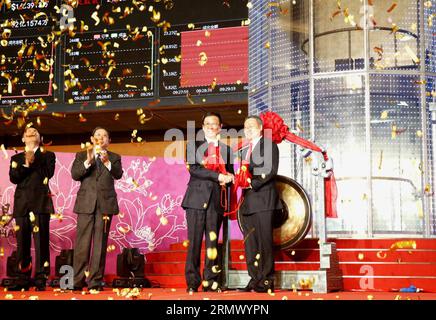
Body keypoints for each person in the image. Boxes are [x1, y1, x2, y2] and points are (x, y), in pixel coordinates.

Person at [181, 112, 234, 293]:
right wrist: (218, 175)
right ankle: (192, 282)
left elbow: (231, 174)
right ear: (203, 127)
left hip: (216, 202)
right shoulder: (193, 145)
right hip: (195, 200)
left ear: (220, 127)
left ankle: (211, 282)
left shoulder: (227, 150)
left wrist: (230, 177)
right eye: (208, 124)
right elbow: (194, 170)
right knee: (194, 243)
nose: (212, 127)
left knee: (213, 244)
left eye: (215, 124)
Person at [71, 127, 123, 291]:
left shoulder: (115, 157)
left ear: (109, 141)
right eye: (98, 135)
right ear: (92, 139)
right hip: (86, 203)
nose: (101, 137)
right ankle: (77, 281)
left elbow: (118, 174)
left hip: (105, 205)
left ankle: (95, 281)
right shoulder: (81, 155)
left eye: (105, 135)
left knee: (100, 245)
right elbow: (75, 174)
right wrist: (89, 160)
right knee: (82, 244)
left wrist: (107, 161)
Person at [238, 115, 282, 293]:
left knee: (264, 242)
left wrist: (251, 183)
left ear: (260, 128)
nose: (248, 129)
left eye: (251, 126)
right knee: (250, 243)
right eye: (245, 127)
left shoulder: (269, 145)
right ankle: (254, 278)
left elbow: (270, 170)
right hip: (247, 202)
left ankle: (266, 279)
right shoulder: (244, 150)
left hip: (263, 199)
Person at [9, 125, 56, 291]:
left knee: (41, 242)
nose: (31, 132)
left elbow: (48, 174)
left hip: (41, 204)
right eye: (27, 132)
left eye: (35, 131)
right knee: (22, 244)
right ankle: (22, 278)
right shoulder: (16, 159)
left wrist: (33, 160)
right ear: (23, 139)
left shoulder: (48, 155)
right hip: (22, 204)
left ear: (40, 138)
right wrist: (26, 164)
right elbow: (14, 178)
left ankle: (41, 278)